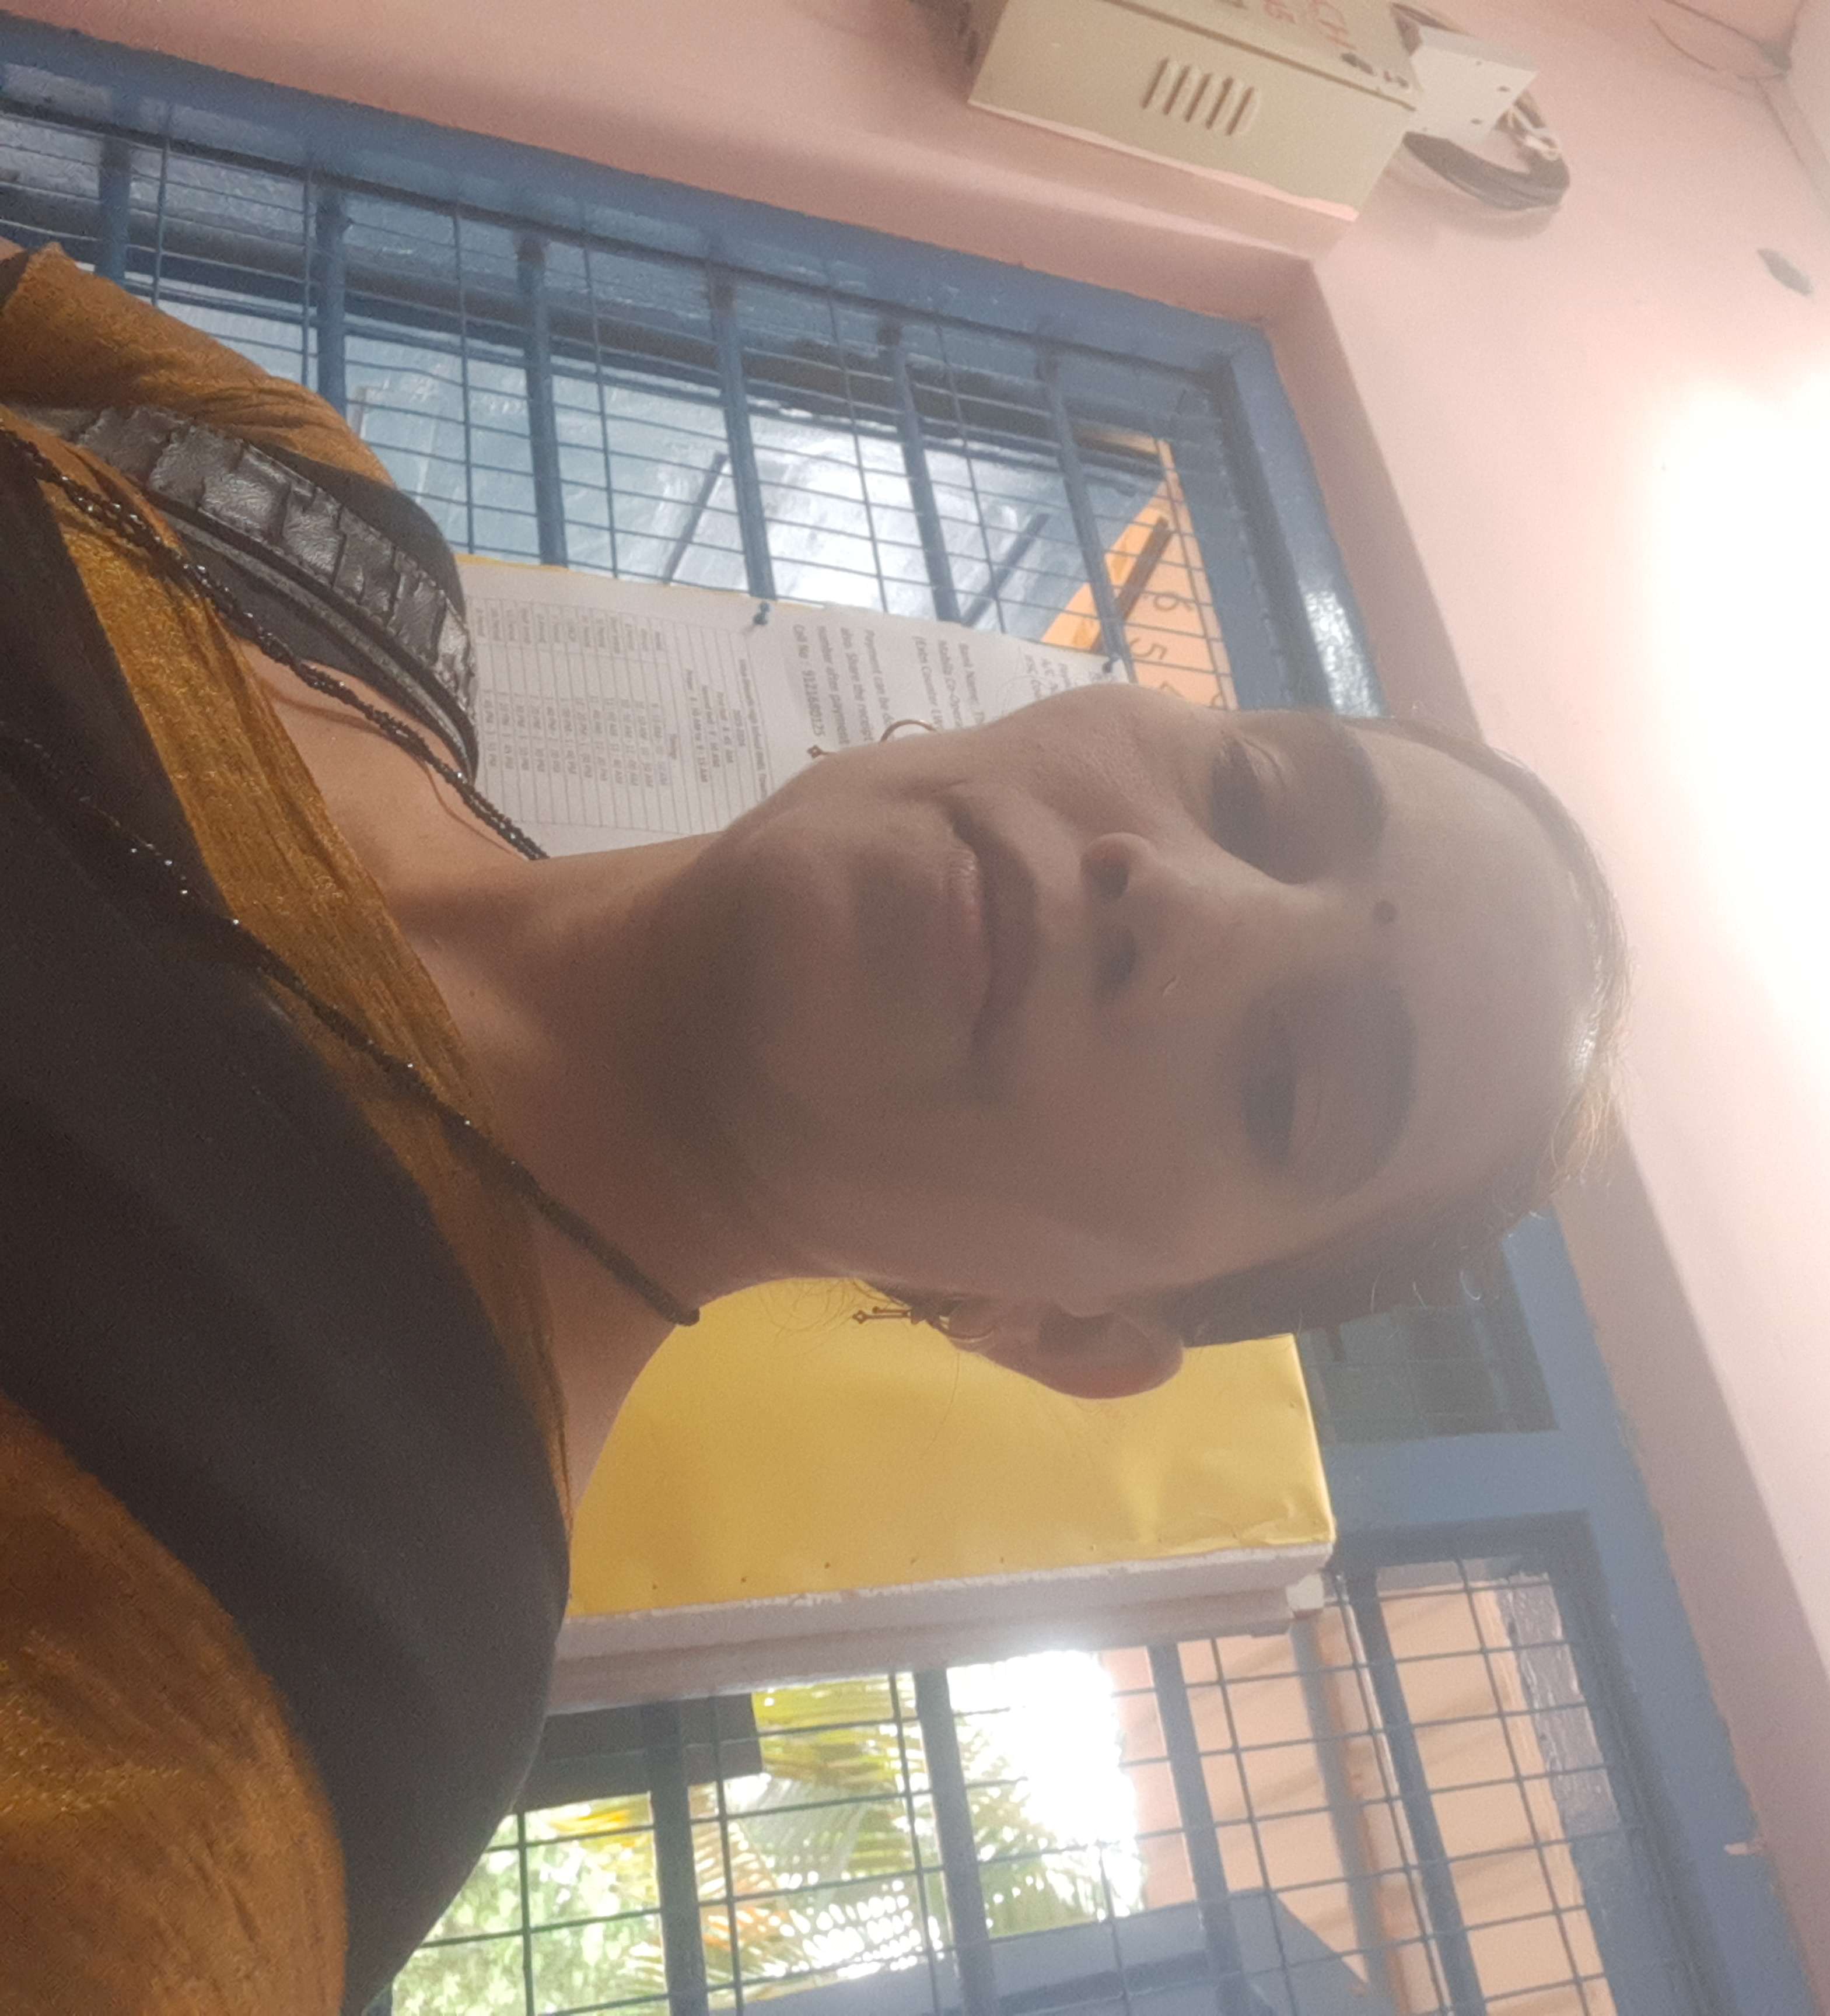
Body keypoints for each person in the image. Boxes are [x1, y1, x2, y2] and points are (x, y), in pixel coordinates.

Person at [0, 240, 1625, 2015]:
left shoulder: (270, 1729)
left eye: (1288, 1086)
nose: (1176, 899)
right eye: (1252, 795)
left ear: (1062, 1331)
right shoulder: (305, 530)